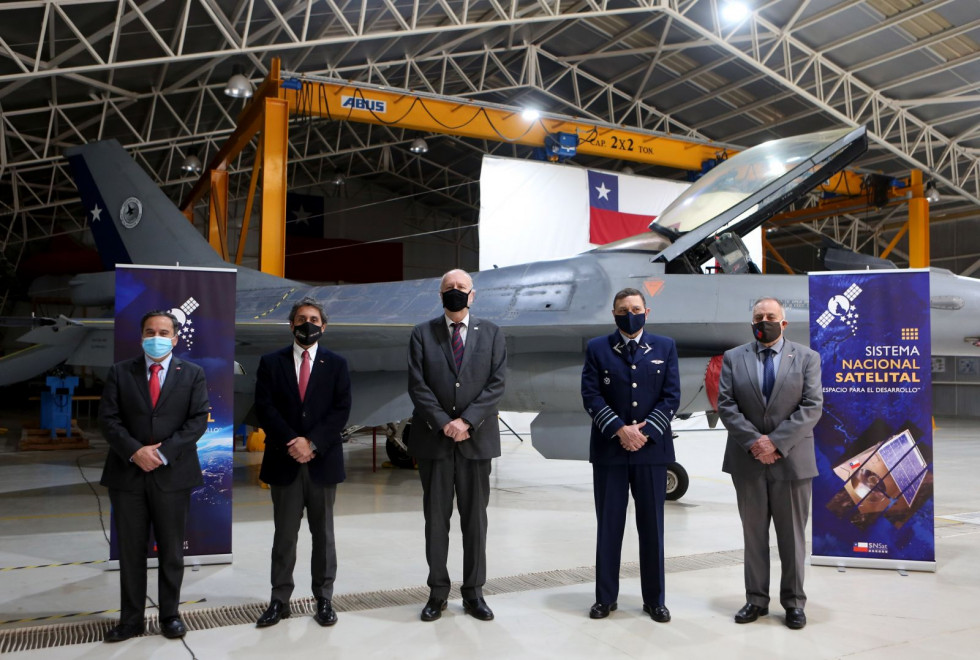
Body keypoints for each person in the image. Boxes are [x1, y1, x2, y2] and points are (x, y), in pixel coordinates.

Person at [99, 310, 209, 643]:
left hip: (173, 475)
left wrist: (162, 452)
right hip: (127, 474)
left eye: (163, 331)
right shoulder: (120, 372)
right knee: (131, 552)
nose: (156, 336)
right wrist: (136, 451)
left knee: (172, 551)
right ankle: (131, 620)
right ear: (141, 337)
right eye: (150, 331)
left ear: (175, 338)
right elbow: (109, 419)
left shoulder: (192, 373)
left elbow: (197, 420)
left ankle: (170, 616)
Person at [407, 269, 507, 622]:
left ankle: (474, 593)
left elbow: (496, 384)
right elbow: (418, 385)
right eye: (448, 288)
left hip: (475, 442)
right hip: (435, 442)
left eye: (461, 288)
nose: (455, 292)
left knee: (475, 522)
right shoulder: (422, 334)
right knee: (436, 521)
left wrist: (466, 421)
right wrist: (444, 422)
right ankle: (437, 593)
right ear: (440, 295)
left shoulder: (492, 334)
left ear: (472, 294)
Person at [717, 297, 823, 630]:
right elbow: (726, 405)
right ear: (752, 323)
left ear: (784, 322)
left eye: (771, 316)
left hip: (792, 461)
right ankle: (756, 600)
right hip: (747, 461)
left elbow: (812, 406)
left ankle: (793, 602)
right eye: (759, 317)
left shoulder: (807, 358)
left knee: (792, 537)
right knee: (754, 536)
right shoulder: (734, 358)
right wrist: (755, 443)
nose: (764, 321)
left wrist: (775, 443)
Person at [581, 287, 680, 623]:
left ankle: (654, 600)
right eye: (623, 309)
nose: (629, 314)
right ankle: (605, 598)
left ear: (646, 312)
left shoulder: (665, 347)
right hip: (610, 449)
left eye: (635, 308)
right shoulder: (597, 348)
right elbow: (591, 396)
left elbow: (671, 397)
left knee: (652, 528)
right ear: (614, 314)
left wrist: (644, 432)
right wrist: (620, 430)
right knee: (609, 526)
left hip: (651, 452)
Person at [253, 298, 352, 628]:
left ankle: (324, 598)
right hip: (284, 461)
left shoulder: (336, 364)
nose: (306, 324)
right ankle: (279, 600)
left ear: (323, 326)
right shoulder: (271, 362)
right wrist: (292, 442)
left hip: (322, 462)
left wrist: (313, 443)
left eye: (313, 319)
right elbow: (265, 407)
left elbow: (341, 410)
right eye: (300, 318)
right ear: (291, 324)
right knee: (284, 535)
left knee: (324, 535)